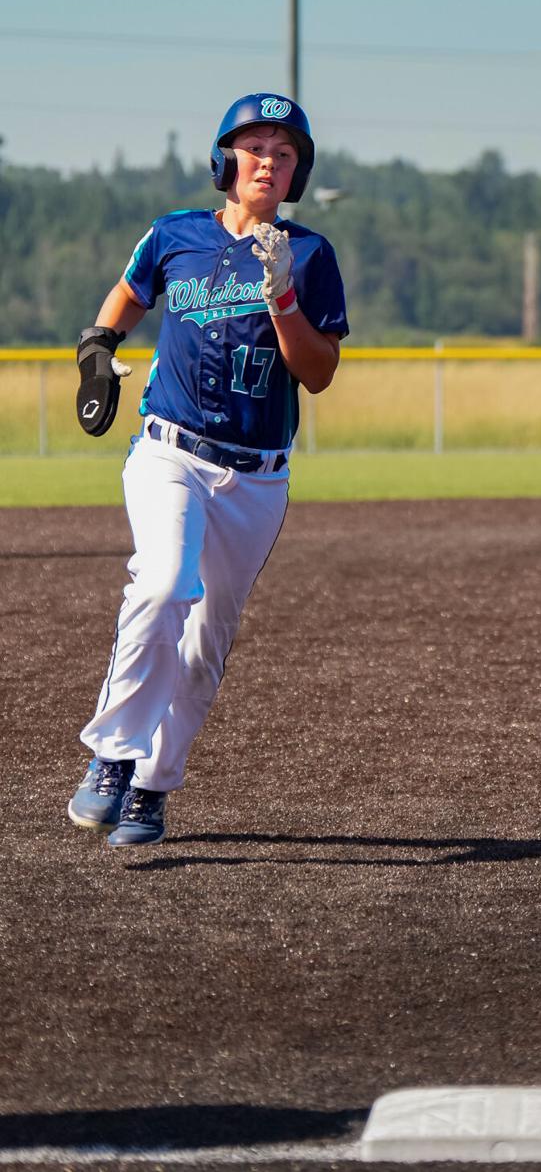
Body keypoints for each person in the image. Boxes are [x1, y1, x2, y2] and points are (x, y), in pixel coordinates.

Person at [67, 92, 349, 847]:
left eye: (284, 153)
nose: (269, 160)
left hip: (255, 477)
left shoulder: (310, 255)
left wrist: (283, 294)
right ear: (226, 161)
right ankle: (112, 755)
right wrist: (99, 348)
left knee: (204, 642)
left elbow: (317, 374)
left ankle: (154, 786)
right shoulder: (175, 235)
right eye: (255, 147)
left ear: (297, 174)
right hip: (169, 451)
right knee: (162, 586)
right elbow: (129, 295)